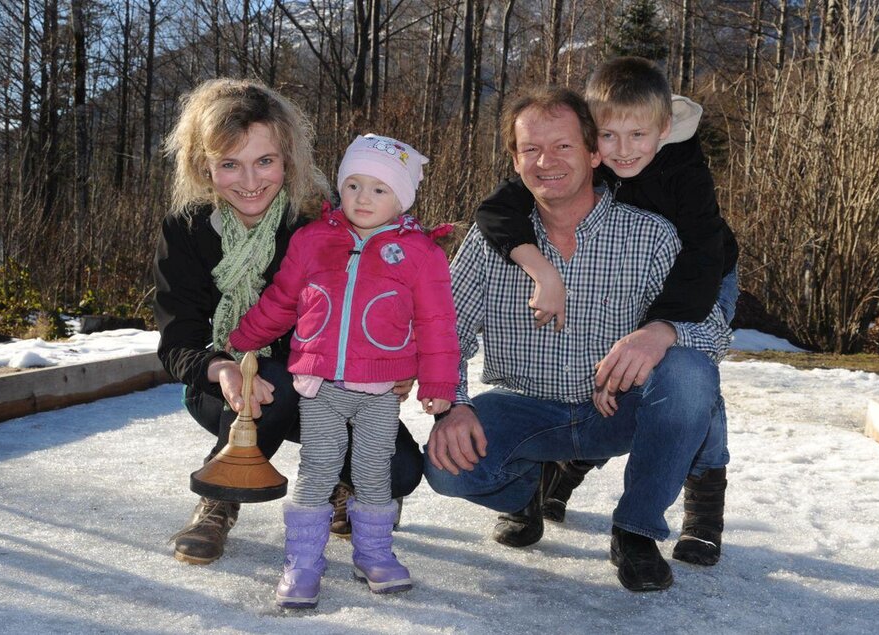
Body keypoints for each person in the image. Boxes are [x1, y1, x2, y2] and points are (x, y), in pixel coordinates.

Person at [424, 87, 730, 592]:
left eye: (564, 146)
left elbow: (715, 331)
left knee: (691, 374)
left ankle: (635, 531)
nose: (547, 162)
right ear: (515, 160)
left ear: (594, 153)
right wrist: (451, 407)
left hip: (615, 410)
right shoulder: (491, 242)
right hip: (524, 410)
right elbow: (445, 331)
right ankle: (524, 492)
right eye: (531, 150)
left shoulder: (649, 235)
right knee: (448, 468)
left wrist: (659, 333)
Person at [152, 79, 424, 567]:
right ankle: (221, 495)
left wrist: (401, 357)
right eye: (229, 163)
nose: (250, 180)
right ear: (204, 165)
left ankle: (344, 484)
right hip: (224, 387)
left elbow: (391, 292)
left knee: (400, 469)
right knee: (269, 379)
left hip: (327, 384)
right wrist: (221, 368)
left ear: (288, 160)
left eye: (265, 161)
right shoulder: (186, 228)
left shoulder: (320, 221)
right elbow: (178, 338)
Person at [228, 133, 459, 608]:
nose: (363, 198)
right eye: (353, 185)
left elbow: (437, 325)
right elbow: (282, 299)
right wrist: (242, 337)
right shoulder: (314, 240)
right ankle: (303, 561)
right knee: (317, 470)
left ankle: (373, 553)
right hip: (320, 386)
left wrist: (438, 384)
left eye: (379, 189)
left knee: (374, 471)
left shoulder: (420, 253)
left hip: (378, 388)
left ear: (402, 198)